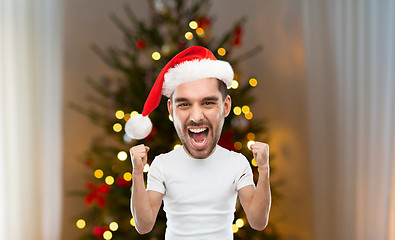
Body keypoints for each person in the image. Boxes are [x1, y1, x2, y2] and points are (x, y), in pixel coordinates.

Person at [126, 46, 271, 239]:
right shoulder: (162, 165)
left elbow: (258, 221)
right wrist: (137, 173)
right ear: (171, 110)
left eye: (208, 103)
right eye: (184, 104)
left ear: (225, 106)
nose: (196, 117)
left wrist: (264, 169)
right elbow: (144, 226)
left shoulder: (237, 164)